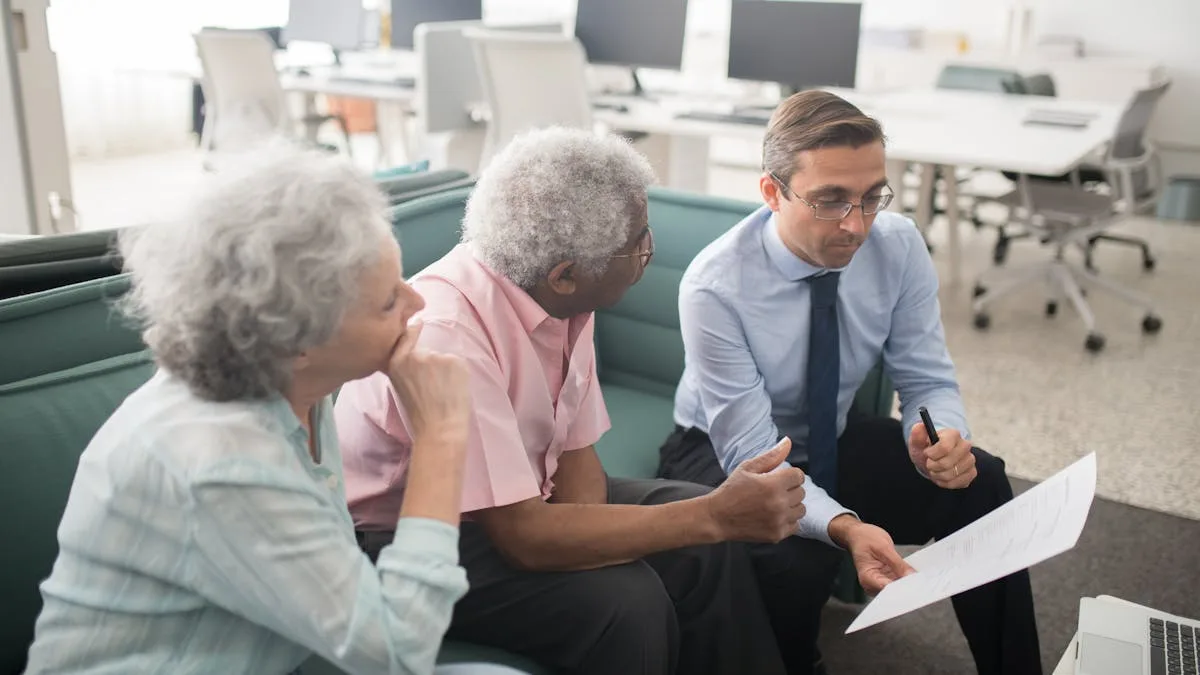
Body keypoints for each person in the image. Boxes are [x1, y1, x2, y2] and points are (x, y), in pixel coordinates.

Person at [336, 128, 837, 675]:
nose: (650, 252)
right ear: (566, 274)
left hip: (521, 495)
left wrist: (615, 536)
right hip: (403, 533)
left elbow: (573, 457)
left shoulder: (560, 295)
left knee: (704, 548)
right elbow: (523, 538)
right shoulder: (449, 334)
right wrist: (711, 516)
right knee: (628, 602)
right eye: (640, 242)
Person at [25, 144, 520, 675]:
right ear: (295, 340)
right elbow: (398, 652)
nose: (416, 303)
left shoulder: (299, 389)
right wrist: (441, 436)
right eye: (386, 302)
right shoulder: (220, 461)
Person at [657, 89, 1043, 675]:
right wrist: (844, 527)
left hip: (829, 433)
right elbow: (756, 459)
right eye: (831, 200)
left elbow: (926, 377)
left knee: (981, 483)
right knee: (794, 560)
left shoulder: (899, 244)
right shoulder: (715, 286)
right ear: (771, 192)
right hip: (722, 451)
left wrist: (939, 438)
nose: (857, 225)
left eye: (871, 198)